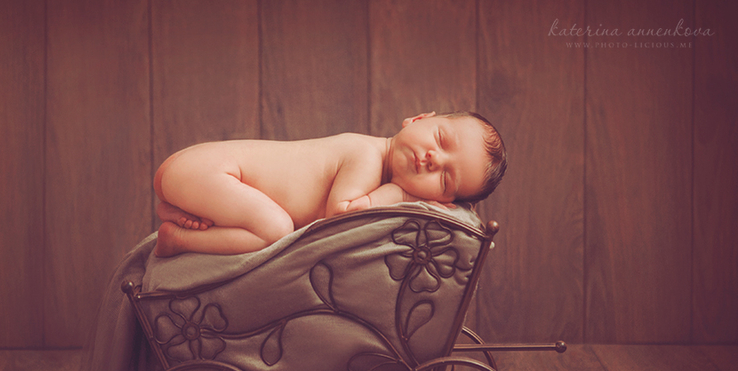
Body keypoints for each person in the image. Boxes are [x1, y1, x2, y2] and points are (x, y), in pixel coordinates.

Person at [153, 111, 506, 257]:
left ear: (445, 201)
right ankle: (178, 240)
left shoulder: (374, 161)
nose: (433, 158)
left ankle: (186, 208)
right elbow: (342, 215)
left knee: (263, 219)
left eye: (445, 178)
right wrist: (401, 193)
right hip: (211, 170)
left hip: (201, 171)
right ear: (418, 118)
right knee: (276, 229)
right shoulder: (366, 155)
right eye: (441, 139)